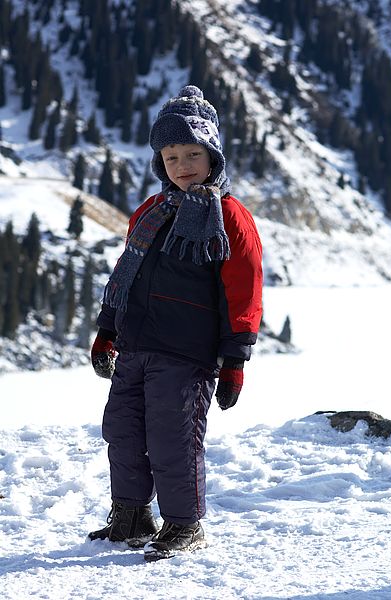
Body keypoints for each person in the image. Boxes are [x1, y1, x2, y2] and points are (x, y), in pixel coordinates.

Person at [87, 85, 263, 561]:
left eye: (192, 153)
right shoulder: (149, 212)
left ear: (213, 156)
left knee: (173, 437)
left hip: (187, 354)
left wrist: (234, 361)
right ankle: (130, 514)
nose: (182, 165)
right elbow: (127, 274)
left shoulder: (228, 217)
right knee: (121, 430)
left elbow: (243, 293)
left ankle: (185, 523)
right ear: (159, 164)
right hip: (137, 345)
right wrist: (108, 330)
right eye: (170, 156)